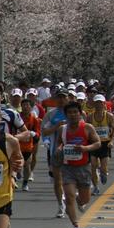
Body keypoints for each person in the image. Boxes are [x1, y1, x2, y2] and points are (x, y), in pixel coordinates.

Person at [53, 99, 101, 228]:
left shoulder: (87, 128)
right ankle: (75, 225)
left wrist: (85, 148)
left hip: (84, 167)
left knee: (85, 199)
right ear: (66, 115)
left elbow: (97, 143)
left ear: (80, 113)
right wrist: (59, 149)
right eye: (70, 113)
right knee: (69, 196)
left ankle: (80, 202)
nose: (73, 115)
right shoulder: (63, 129)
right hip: (68, 168)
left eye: (75, 112)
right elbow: (60, 144)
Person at [40, 89, 70, 218]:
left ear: (68, 98)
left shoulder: (75, 113)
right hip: (56, 151)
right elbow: (44, 132)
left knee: (71, 180)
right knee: (58, 180)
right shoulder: (50, 115)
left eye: (64, 97)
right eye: (59, 97)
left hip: (74, 151)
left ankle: (72, 200)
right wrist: (56, 126)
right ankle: (60, 205)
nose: (61, 100)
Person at [87, 94, 114, 194]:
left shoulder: (109, 116)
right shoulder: (90, 117)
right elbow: (87, 130)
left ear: (104, 104)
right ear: (94, 104)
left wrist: (111, 141)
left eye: (100, 103)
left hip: (105, 144)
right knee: (93, 166)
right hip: (94, 143)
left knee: (103, 167)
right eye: (97, 103)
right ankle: (95, 187)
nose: (99, 105)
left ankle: (103, 173)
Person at [18, 97, 43, 191]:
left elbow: (38, 133)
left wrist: (33, 134)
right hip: (17, 145)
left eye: (27, 105)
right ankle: (16, 175)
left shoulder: (34, 119)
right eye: (23, 105)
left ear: (30, 107)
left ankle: (25, 183)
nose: (25, 107)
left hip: (28, 146)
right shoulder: (17, 117)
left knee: (27, 164)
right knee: (15, 164)